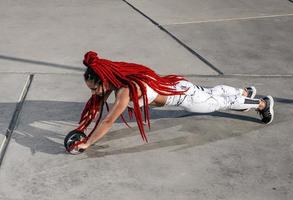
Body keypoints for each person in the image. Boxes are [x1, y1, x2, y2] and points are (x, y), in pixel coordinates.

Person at [74, 51, 274, 151]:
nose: (94, 93)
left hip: (186, 99)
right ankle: (243, 92)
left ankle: (262, 104)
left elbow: (107, 121)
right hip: (178, 85)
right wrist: (81, 128)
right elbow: (97, 105)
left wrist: (87, 143)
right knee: (213, 92)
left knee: (221, 103)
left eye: (94, 88)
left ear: (105, 80)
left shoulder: (124, 92)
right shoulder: (118, 79)